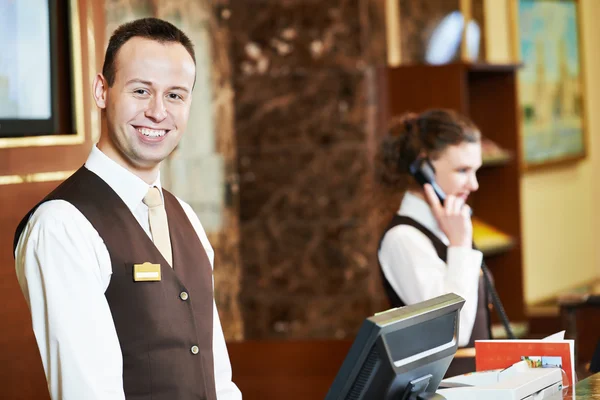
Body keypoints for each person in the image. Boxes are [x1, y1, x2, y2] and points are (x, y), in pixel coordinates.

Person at [14, 18, 241, 400]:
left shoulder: (185, 216)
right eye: (141, 91)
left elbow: (218, 381)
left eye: (175, 95)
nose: (158, 112)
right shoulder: (62, 225)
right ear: (102, 91)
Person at [376, 109, 491, 373]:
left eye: (476, 171)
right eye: (462, 170)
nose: (473, 184)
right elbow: (454, 332)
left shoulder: (448, 229)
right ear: (423, 169)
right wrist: (460, 246)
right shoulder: (403, 238)